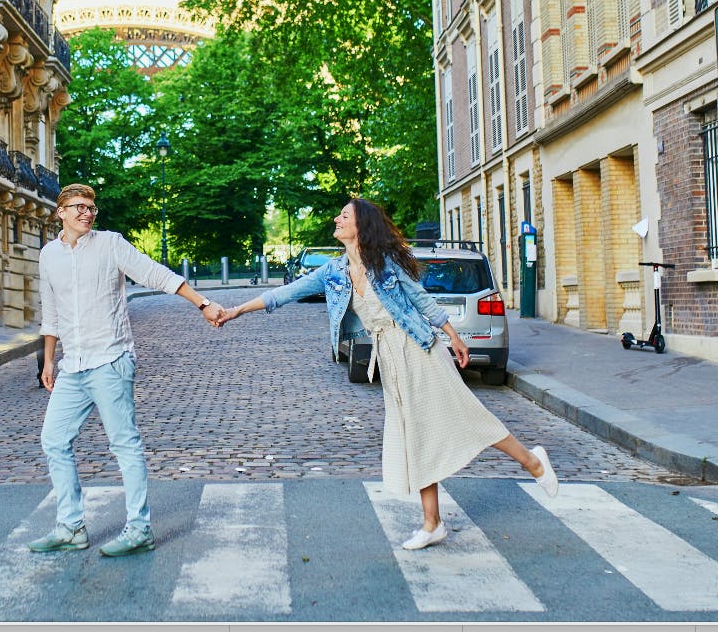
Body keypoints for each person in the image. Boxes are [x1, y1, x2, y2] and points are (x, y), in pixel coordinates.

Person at [216, 198, 558, 551]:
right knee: (415, 435)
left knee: (466, 416)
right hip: (389, 358)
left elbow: (421, 300)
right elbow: (284, 293)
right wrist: (238, 310)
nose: (337, 219)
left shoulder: (386, 264)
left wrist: (453, 337)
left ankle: (533, 462)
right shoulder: (333, 272)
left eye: (344, 216)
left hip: (418, 349)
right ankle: (432, 523)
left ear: (360, 226)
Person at [30, 183, 226, 557]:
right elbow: (50, 311)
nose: (86, 213)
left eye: (91, 208)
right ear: (61, 213)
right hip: (73, 365)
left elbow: (155, 274)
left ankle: (139, 529)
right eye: (78, 207)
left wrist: (201, 303)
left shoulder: (110, 244)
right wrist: (50, 359)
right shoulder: (49, 255)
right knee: (53, 440)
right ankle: (71, 527)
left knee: (124, 445)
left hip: (110, 360)